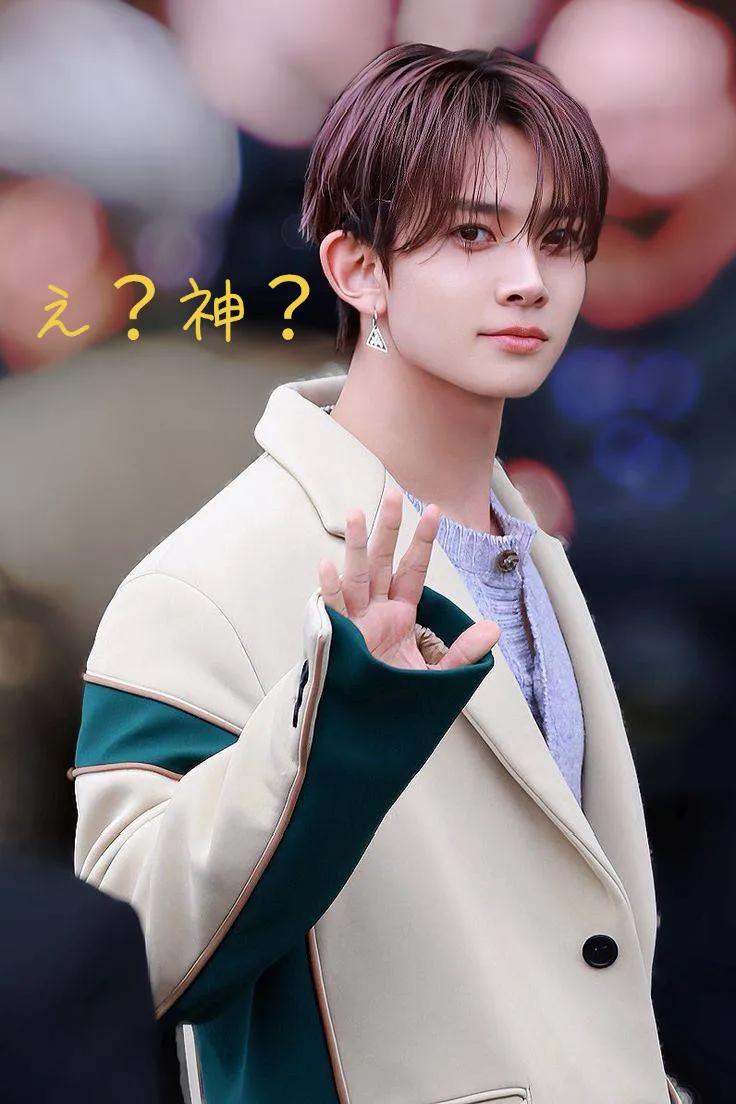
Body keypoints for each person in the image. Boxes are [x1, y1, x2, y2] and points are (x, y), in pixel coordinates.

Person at [71, 43, 684, 1103]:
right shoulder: (201, 584)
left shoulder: (527, 546)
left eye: (559, 239)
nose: (530, 279)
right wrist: (336, 723)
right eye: (472, 234)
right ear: (357, 268)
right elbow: (129, 958)